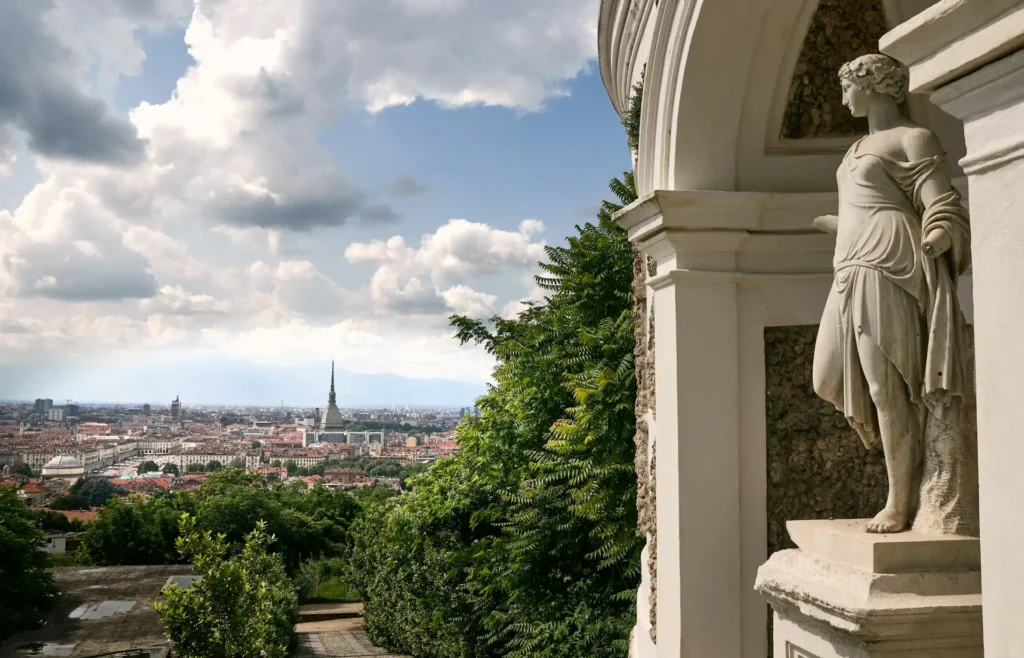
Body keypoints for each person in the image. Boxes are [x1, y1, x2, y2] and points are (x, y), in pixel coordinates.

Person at [811, 54, 971, 533]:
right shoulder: (857, 146)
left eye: (847, 87)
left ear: (877, 85)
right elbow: (863, 203)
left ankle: (899, 503)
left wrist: (940, 233)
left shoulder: (913, 137)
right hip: (851, 263)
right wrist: (840, 228)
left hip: (893, 260)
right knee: (826, 377)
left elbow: (940, 201)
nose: (842, 98)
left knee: (889, 388)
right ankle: (905, 487)